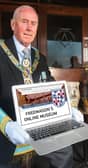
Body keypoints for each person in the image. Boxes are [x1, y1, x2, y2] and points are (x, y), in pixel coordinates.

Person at [0, 5, 83, 168]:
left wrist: (67, 109)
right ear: (13, 25)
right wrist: (6, 125)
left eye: (34, 23)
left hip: (40, 130)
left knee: (64, 152)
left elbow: (51, 89)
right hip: (7, 135)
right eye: (24, 21)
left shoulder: (40, 58)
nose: (29, 28)